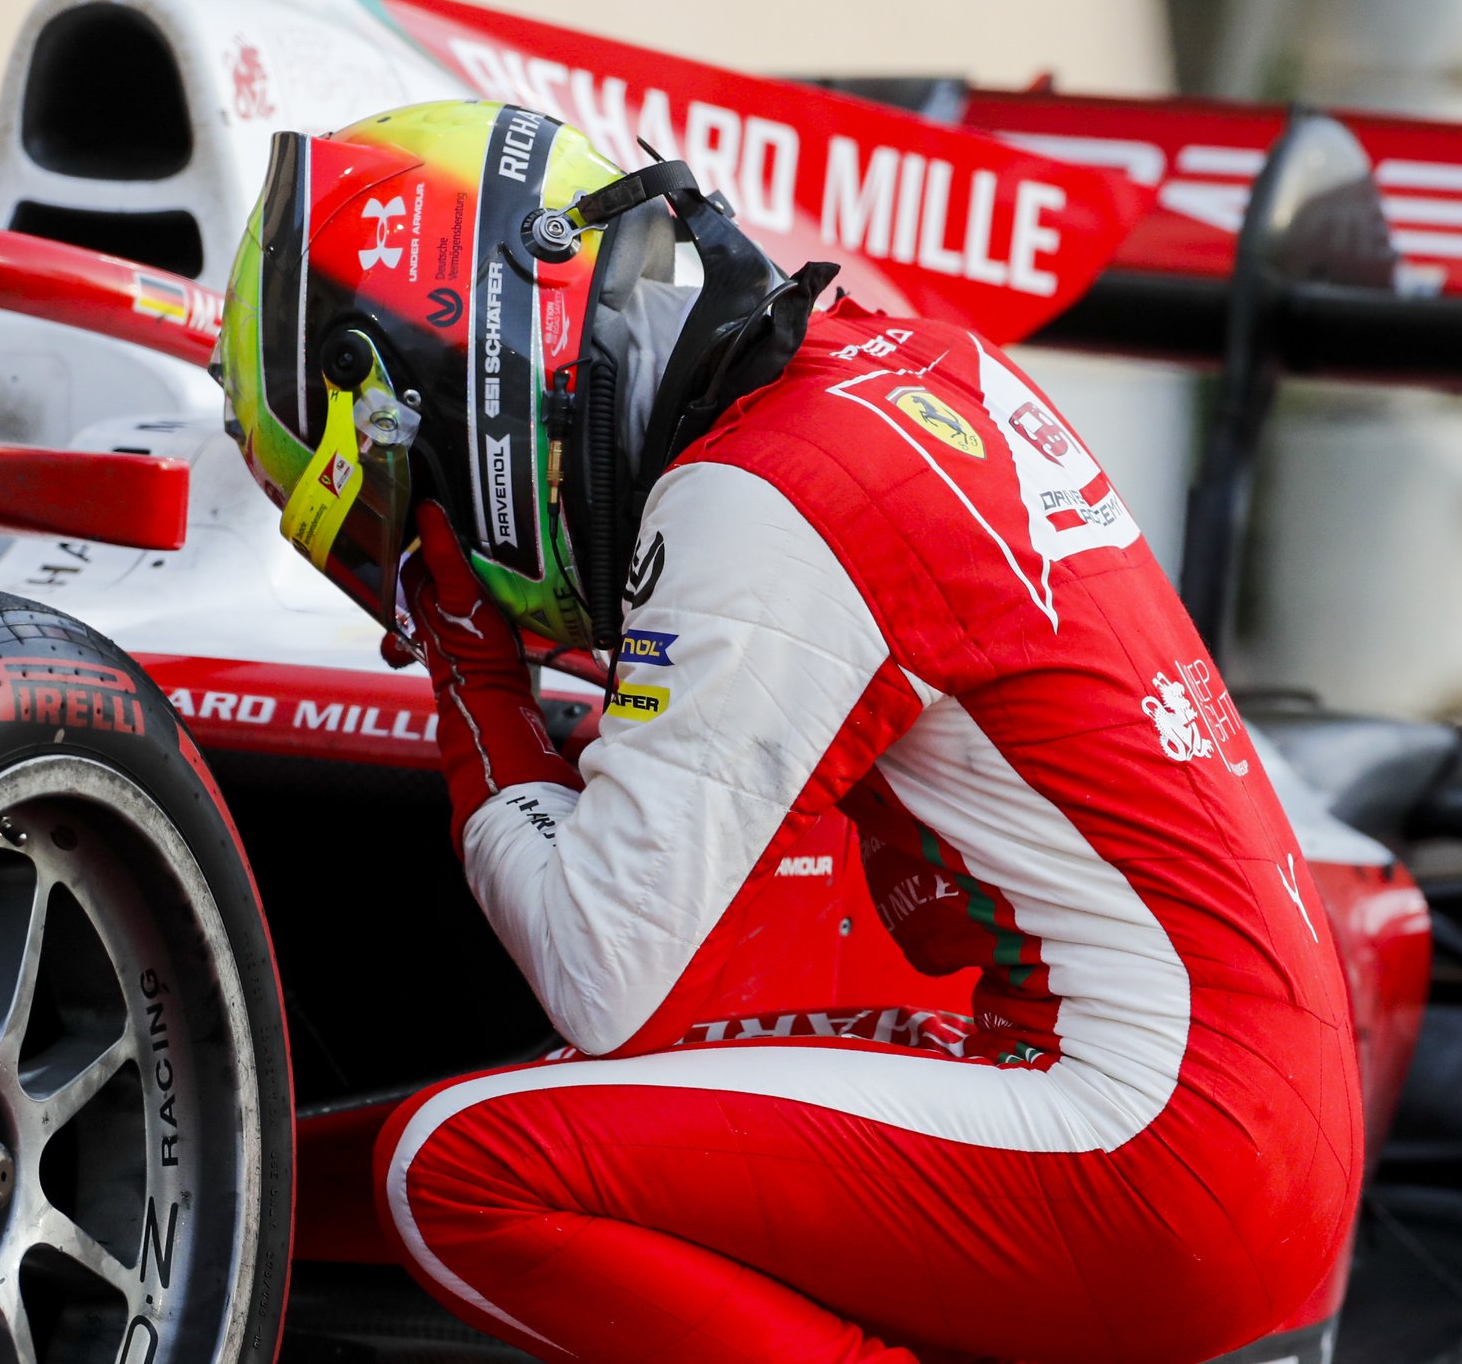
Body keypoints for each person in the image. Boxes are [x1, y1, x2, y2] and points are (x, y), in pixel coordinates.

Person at [217, 101, 1361, 1364]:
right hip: (1257, 1122)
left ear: (448, 401)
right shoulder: (907, 365)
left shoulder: (757, 497)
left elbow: (601, 978)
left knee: (460, 1169)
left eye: (387, 525)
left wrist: (467, 670)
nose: (411, 570)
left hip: (1158, 1143)